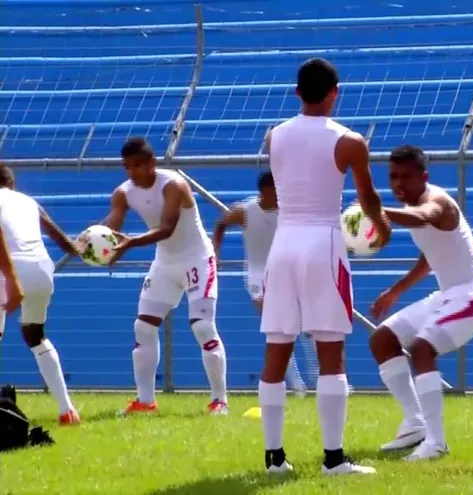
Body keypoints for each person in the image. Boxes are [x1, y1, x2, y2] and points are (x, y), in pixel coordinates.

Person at [258, 57, 391, 476]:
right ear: (335, 92)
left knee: (277, 347)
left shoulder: (273, 135)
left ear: (297, 93)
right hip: (323, 241)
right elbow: (367, 198)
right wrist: (382, 226)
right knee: (331, 349)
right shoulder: (350, 141)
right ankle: (334, 459)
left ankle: (274, 458)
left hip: (283, 244)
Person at [370, 145, 473, 461]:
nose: (398, 183)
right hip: (448, 294)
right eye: (393, 176)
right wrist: (396, 291)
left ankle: (437, 441)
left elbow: (422, 217)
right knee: (382, 339)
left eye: (406, 176)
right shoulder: (412, 204)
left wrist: (379, 212)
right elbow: (429, 258)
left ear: (424, 177)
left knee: (422, 348)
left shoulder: (436, 203)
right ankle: (415, 424)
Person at [102, 138, 229, 416]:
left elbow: (167, 228)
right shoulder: (123, 193)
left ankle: (219, 400)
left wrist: (129, 244)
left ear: (151, 163)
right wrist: (90, 242)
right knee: (143, 327)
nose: (132, 172)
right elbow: (110, 226)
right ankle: (145, 401)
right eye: (127, 167)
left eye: (137, 165)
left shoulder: (173, 185)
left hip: (197, 259)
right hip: (164, 263)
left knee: (202, 327)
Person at [212, 171, 312, 397]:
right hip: (258, 276)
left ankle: (320, 377)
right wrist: (216, 252)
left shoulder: (289, 212)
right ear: (266, 190)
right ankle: (296, 385)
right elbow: (220, 225)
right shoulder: (245, 211)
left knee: (303, 327)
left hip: (288, 273)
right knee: (276, 326)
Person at [0, 165, 80, 424]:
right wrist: (90, 244)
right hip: (42, 269)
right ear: (12, 183)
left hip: (11, 269)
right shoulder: (29, 202)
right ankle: (67, 410)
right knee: (35, 335)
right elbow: (67, 244)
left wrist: (12, 279)